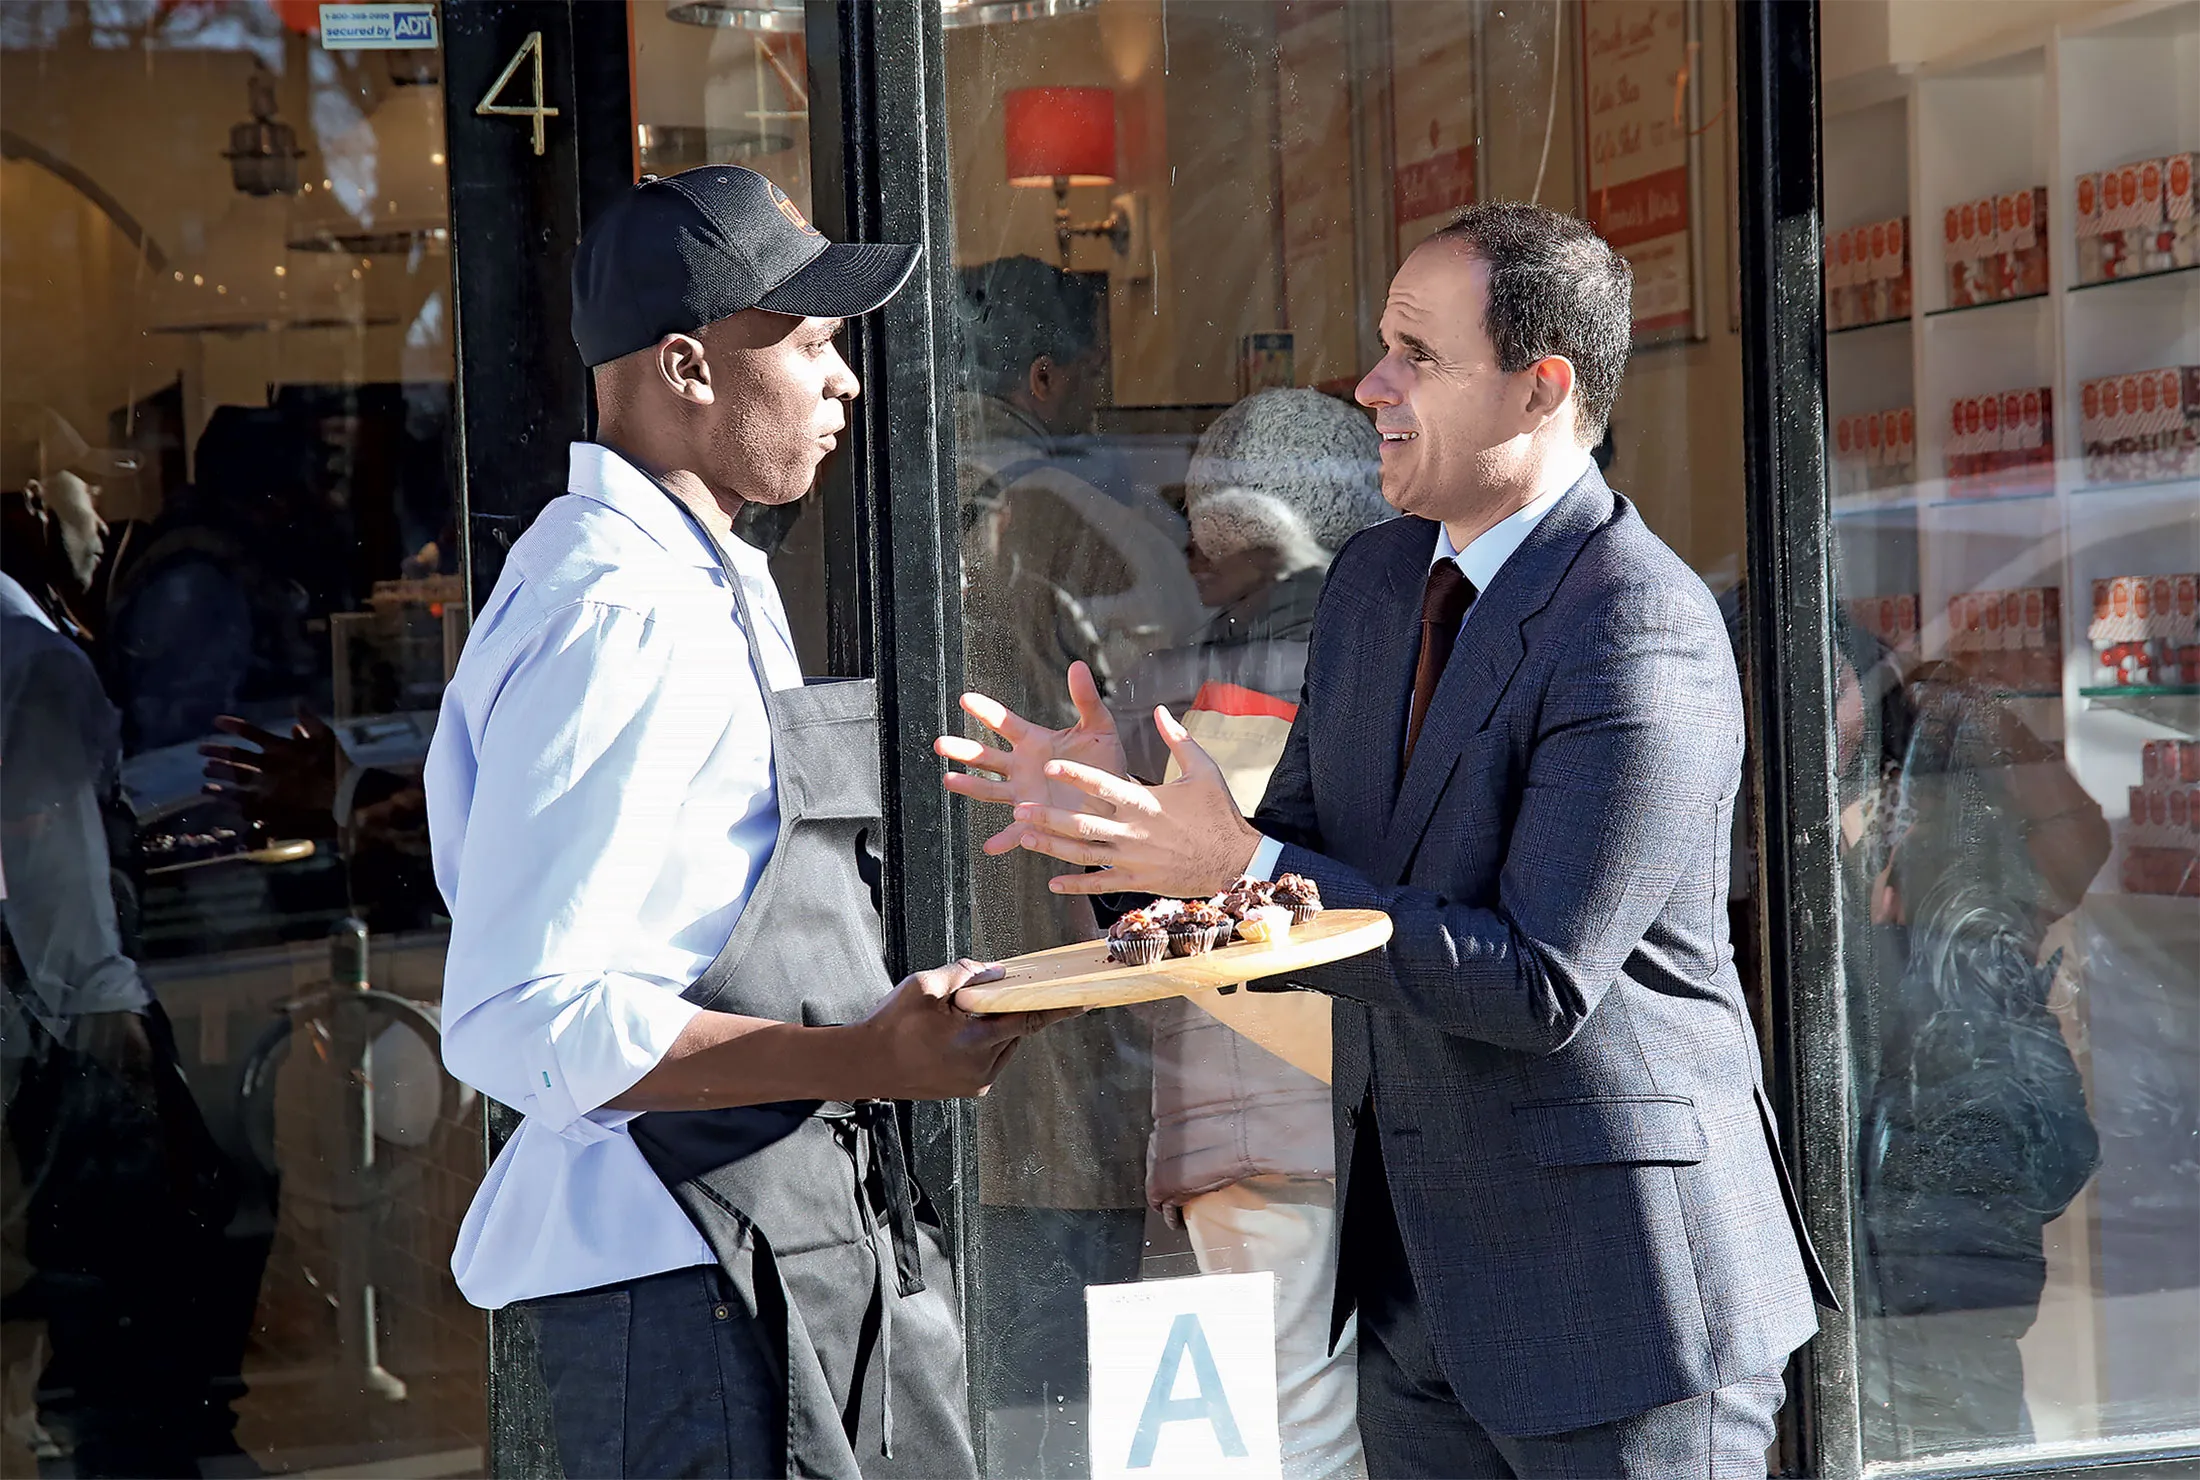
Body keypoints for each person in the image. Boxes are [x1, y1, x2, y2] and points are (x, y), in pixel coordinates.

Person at [942, 202, 1836, 1478]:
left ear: (1541, 388)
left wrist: (1238, 866)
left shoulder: (1638, 620)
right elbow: (1293, 881)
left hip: (1621, 1302)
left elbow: (1538, 978)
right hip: (1416, 1305)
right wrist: (1127, 829)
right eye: (1381, 347)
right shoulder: (1372, 585)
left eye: (1417, 354)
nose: (1370, 386)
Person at [424, 166, 1067, 1480]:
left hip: (782, 1239)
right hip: (689, 1280)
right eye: (812, 343)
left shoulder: (695, 571)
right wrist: (866, 1056)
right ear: (687, 367)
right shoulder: (616, 611)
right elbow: (521, 1015)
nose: (847, 382)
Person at [952, 255, 1201, 1476]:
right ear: (1046, 378)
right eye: (1090, 376)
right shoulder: (1069, 508)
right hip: (1064, 1006)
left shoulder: (868, 491)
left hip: (918, 1018)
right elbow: (1182, 708)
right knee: (1074, 1401)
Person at [1118, 387, 1390, 1480]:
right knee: (1310, 1433)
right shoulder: (1360, 672)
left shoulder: (1184, 686)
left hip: (1230, 1122)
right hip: (1312, 1111)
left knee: (1262, 1432)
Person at [3, 498, 267, 1478]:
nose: (104, 519)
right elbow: (59, 881)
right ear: (36, 506)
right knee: (146, 1253)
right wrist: (121, 1038)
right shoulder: (30, 659)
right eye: (82, 495)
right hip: (66, 1014)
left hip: (39, 1008)